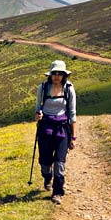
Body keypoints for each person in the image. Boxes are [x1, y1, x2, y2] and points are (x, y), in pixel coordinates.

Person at [35, 60, 77, 204]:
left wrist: (73, 137)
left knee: (60, 163)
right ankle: (47, 177)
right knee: (45, 162)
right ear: (50, 74)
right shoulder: (42, 88)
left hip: (62, 129)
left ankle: (57, 192)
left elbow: (72, 113)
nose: (57, 76)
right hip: (45, 128)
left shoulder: (69, 88)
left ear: (64, 75)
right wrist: (38, 115)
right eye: (54, 73)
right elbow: (38, 108)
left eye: (60, 73)